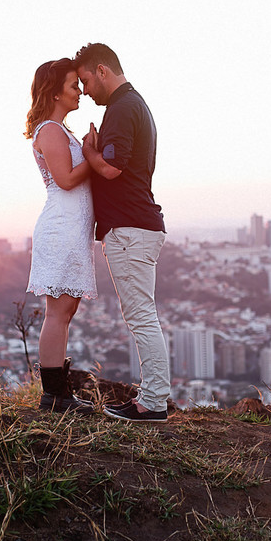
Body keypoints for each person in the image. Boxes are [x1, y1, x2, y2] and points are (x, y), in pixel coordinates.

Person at [74, 43, 171, 423]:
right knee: (142, 315)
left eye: (85, 81)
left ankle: (152, 403)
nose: (84, 91)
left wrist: (89, 151)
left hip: (130, 229)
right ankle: (151, 399)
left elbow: (111, 168)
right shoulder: (133, 104)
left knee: (141, 317)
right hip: (137, 226)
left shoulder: (121, 108)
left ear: (102, 70)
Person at [25, 58, 97, 413]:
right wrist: (93, 156)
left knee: (65, 310)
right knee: (58, 312)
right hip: (61, 229)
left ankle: (58, 392)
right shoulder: (50, 130)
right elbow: (66, 180)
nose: (79, 91)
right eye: (73, 85)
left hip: (71, 230)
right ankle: (54, 395)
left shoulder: (58, 129)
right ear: (55, 92)